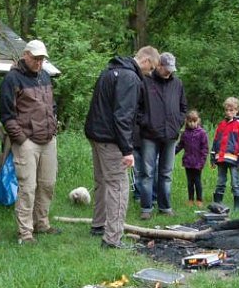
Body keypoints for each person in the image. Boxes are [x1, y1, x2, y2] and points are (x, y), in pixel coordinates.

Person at [85, 46, 159, 248]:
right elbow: (123, 116)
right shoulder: (130, 78)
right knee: (118, 186)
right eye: (150, 68)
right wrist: (127, 150)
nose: (149, 73)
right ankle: (112, 239)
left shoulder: (110, 70)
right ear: (145, 60)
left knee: (102, 182)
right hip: (110, 138)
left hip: (96, 134)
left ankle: (98, 225)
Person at [0, 39, 59, 245]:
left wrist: (54, 126)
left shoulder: (45, 76)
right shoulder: (12, 79)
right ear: (26, 55)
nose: (39, 63)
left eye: (42, 59)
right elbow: (6, 114)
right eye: (35, 58)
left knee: (47, 184)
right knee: (28, 187)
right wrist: (21, 139)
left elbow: (52, 105)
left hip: (49, 138)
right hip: (27, 140)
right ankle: (25, 232)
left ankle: (41, 222)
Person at [137, 52, 187, 219]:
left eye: (171, 69)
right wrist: (145, 121)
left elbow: (183, 107)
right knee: (147, 172)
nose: (169, 72)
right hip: (149, 135)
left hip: (171, 135)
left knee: (166, 173)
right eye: (167, 69)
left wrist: (178, 122)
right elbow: (137, 107)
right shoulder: (145, 81)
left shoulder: (177, 83)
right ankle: (146, 208)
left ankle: (165, 207)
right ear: (158, 65)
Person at [210, 96, 239, 211]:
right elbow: (216, 141)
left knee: (235, 182)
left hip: (234, 159)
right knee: (220, 182)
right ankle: (217, 205)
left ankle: (237, 207)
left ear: (237, 110)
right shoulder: (221, 124)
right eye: (226, 110)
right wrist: (212, 157)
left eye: (231, 110)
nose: (228, 112)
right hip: (221, 158)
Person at [176, 109, 209, 207]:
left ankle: (199, 200)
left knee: (197, 181)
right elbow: (180, 145)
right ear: (187, 121)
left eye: (194, 121)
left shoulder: (202, 133)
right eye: (190, 121)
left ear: (198, 120)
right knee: (190, 182)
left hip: (198, 162)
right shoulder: (185, 133)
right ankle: (190, 199)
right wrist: (171, 153)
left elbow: (205, 149)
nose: (192, 124)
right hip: (188, 162)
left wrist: (202, 162)